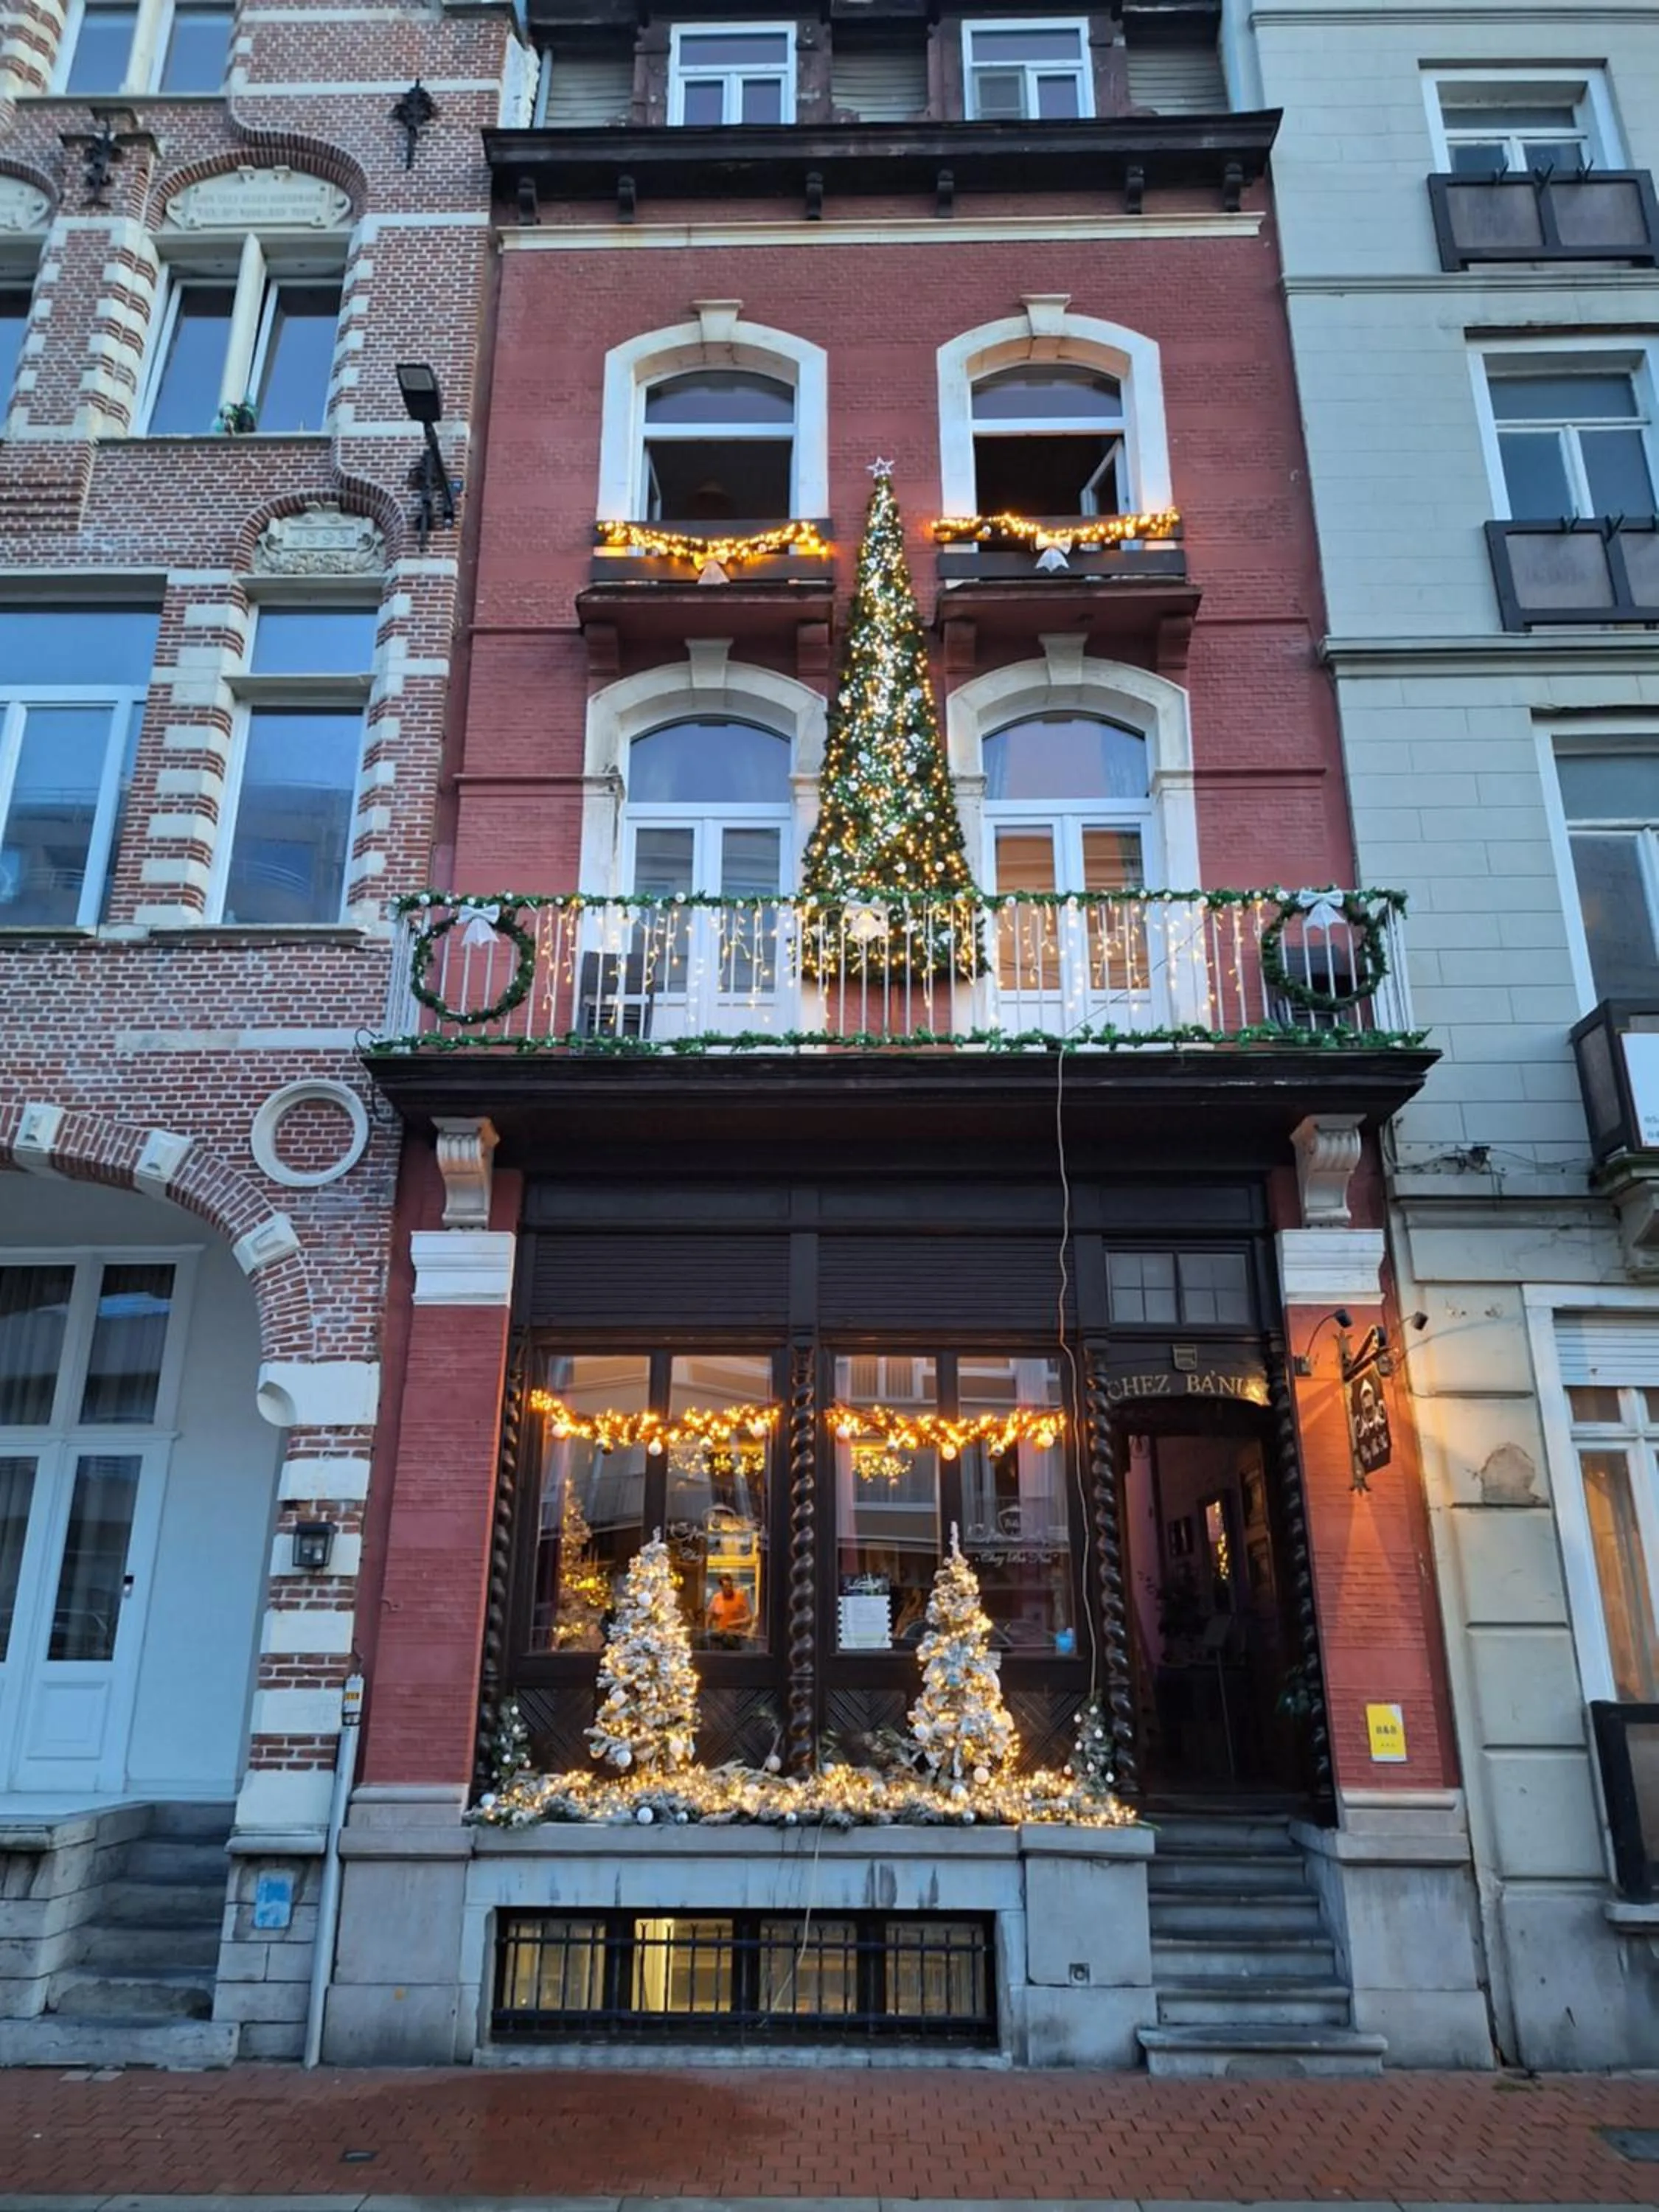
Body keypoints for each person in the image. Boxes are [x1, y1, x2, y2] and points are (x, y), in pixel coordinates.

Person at [706, 1573, 754, 1644]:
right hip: (720, 1637)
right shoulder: (716, 1598)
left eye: (730, 1585)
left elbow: (749, 1618)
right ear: (721, 1587)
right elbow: (709, 1617)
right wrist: (708, 1633)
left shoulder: (740, 1596)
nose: (729, 1588)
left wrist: (734, 1622)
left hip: (736, 1637)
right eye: (726, 1586)